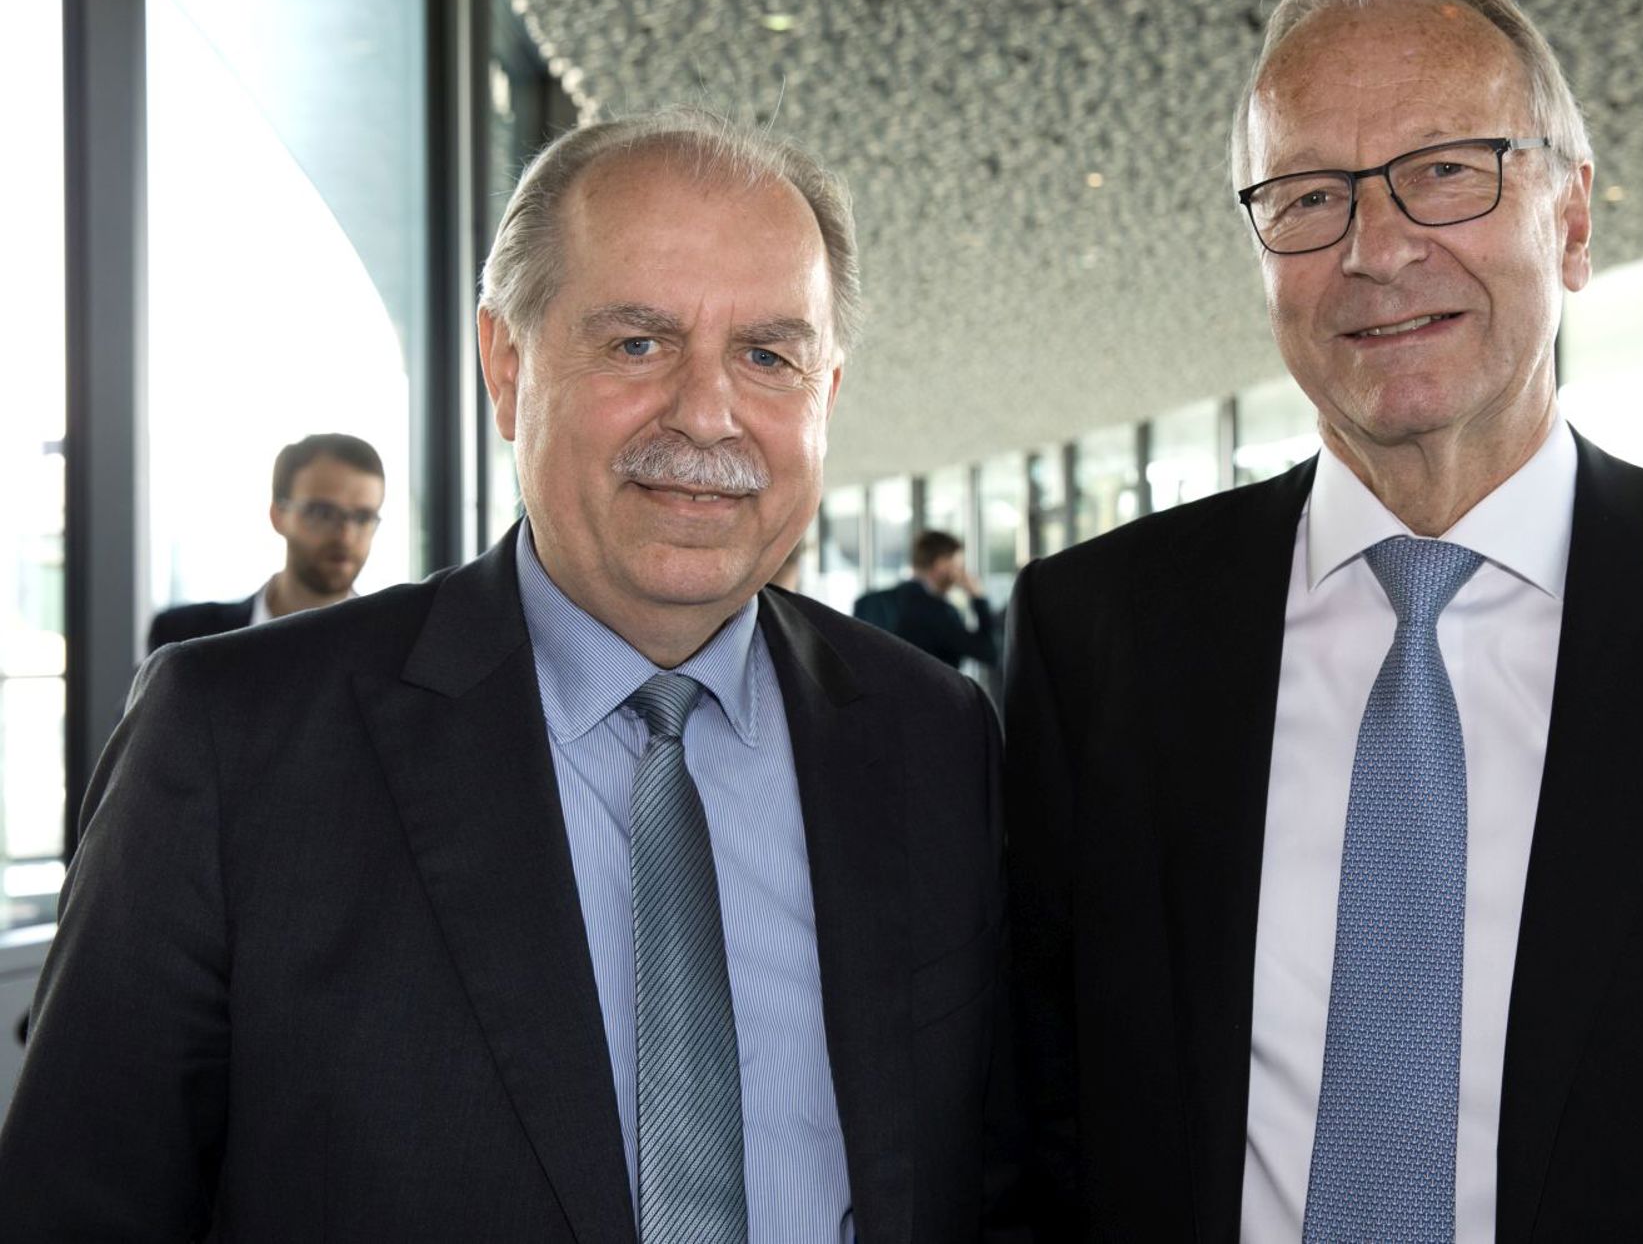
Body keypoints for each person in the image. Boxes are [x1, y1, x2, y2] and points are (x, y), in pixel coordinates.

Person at [1003, 0, 1643, 1242]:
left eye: (1444, 171)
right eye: (1309, 196)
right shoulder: (1099, 637)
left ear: (1570, 222)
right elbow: (1038, 1134)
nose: (1374, 249)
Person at [0, 108, 1016, 1241]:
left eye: (768, 356)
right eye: (638, 343)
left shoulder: (933, 735)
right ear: (506, 365)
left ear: (824, 396)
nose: (706, 413)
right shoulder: (235, 742)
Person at [145, 432, 385, 650]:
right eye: (322, 513)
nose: (345, 535)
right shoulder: (183, 638)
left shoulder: (390, 648)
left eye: (363, 517)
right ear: (278, 516)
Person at [856, 530, 1000, 670]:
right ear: (941, 565)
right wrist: (978, 598)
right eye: (958, 566)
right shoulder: (939, 612)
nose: (961, 573)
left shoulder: (871, 601)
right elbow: (991, 653)